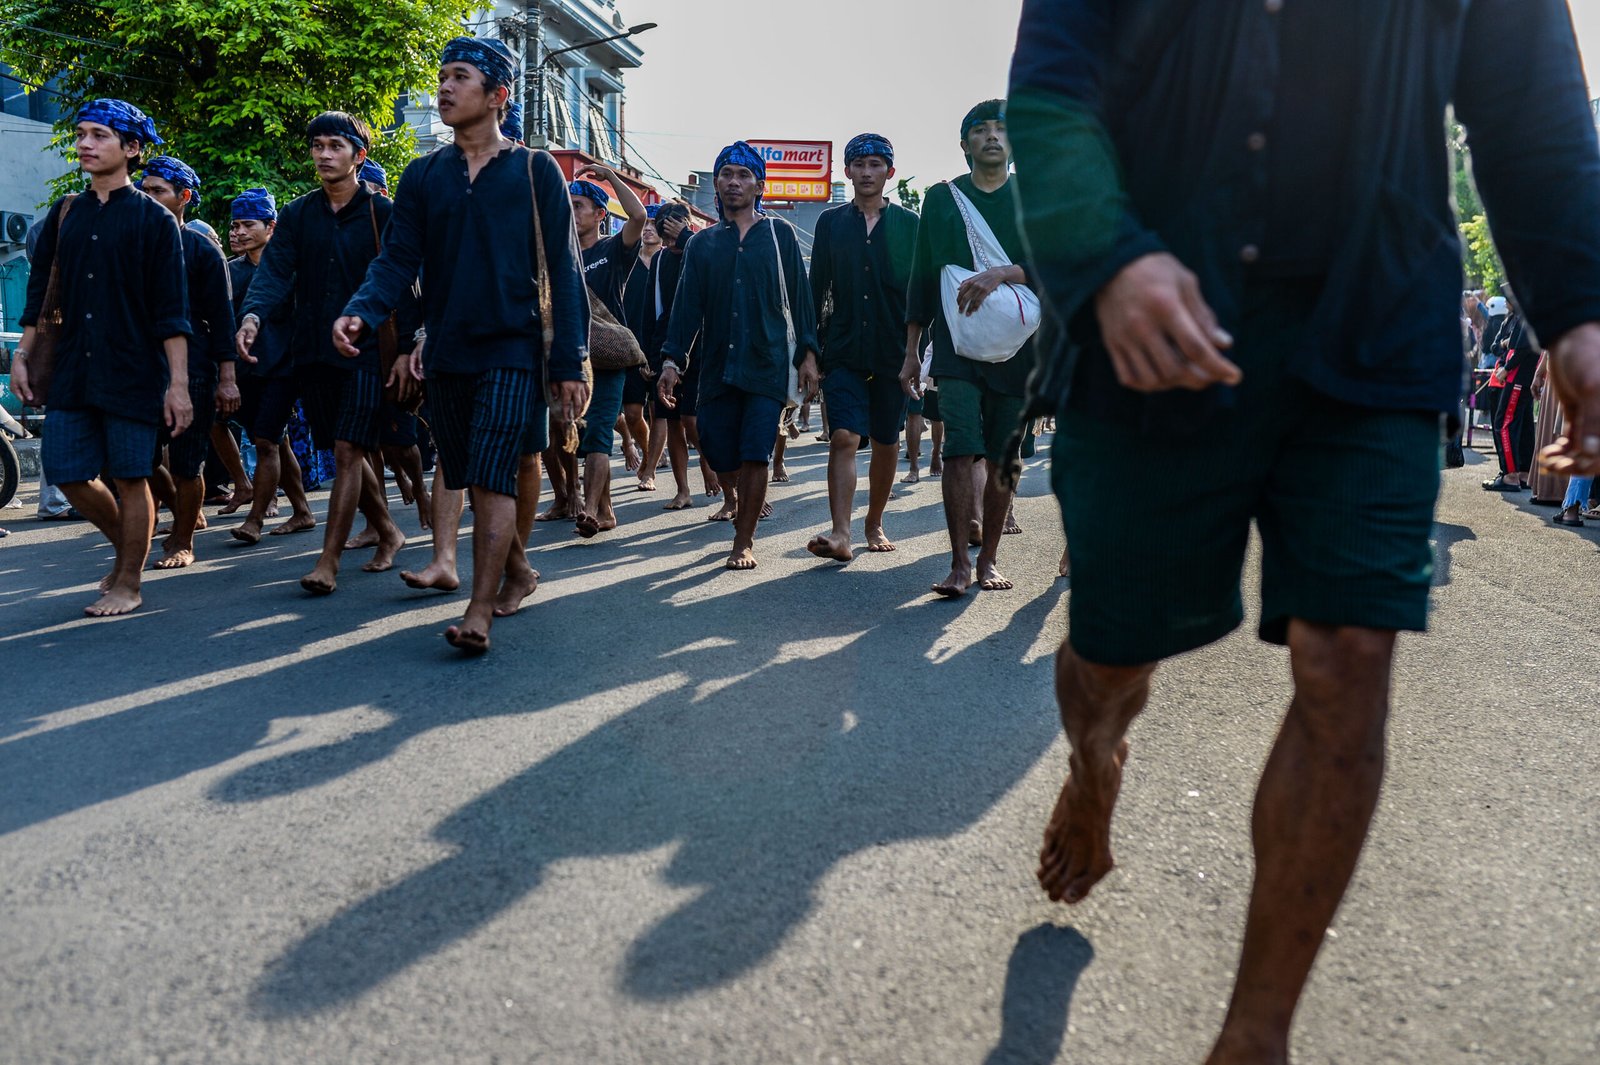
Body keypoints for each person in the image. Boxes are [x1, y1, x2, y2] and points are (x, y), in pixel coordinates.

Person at [1007, 2, 1600, 1062]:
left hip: (1371, 324)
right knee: (1109, 652)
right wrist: (1107, 257)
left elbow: (1532, 112)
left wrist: (1580, 314)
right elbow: (1055, 85)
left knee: (1348, 654)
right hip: (1155, 317)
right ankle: (1095, 766)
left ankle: (1255, 1035)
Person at [338, 36, 589, 654]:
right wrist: (362, 312)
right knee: (473, 472)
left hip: (514, 348)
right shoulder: (423, 176)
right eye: (442, 76)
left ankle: (479, 609)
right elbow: (398, 259)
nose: (444, 87)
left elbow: (564, 269)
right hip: (447, 352)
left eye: (460, 77)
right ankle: (521, 570)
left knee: (497, 471)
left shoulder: (535, 172)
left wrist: (568, 361)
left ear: (498, 95)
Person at [11, 99, 192, 617]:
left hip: (134, 368)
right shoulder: (65, 213)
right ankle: (127, 547)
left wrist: (177, 385)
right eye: (82, 134)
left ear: (131, 149)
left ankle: (129, 582)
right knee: (65, 469)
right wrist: (23, 355)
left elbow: (171, 311)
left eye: (100, 135)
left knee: (131, 474)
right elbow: (40, 292)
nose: (86, 144)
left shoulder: (155, 221)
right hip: (73, 366)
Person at [238, 110, 412, 594]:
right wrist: (252, 316)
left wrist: (410, 346)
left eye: (335, 146)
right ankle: (391, 530)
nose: (323, 155)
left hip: (367, 352)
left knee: (347, 448)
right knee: (344, 447)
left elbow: (404, 282)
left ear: (359, 155)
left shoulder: (384, 213)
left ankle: (328, 562)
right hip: (311, 351)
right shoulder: (296, 215)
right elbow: (274, 272)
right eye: (317, 146)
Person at [657, 141, 820, 570]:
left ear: (759, 185)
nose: (734, 182)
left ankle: (743, 540)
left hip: (767, 363)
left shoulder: (779, 234)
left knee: (754, 452)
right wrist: (672, 362)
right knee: (715, 445)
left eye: (743, 175)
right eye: (726, 174)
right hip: (716, 367)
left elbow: (801, 300)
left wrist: (808, 355)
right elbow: (686, 307)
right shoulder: (703, 244)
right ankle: (732, 494)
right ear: (716, 183)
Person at [900, 99, 1038, 596]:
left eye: (1002, 129)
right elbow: (922, 274)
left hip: (1018, 347)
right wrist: (913, 350)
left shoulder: (1033, 197)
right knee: (960, 448)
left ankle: (990, 562)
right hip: (955, 346)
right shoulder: (941, 199)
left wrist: (1003, 273)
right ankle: (960, 564)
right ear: (965, 146)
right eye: (981, 130)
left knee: (1004, 457)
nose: (992, 137)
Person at [802, 133, 918, 562]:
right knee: (844, 436)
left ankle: (874, 522)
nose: (866, 172)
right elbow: (816, 290)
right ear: (846, 171)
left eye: (875, 164)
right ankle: (841, 533)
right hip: (844, 347)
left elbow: (916, 295)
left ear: (889, 171)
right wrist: (810, 353)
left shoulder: (909, 224)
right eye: (858, 164)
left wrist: (913, 354)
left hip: (893, 352)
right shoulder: (831, 223)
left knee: (887, 441)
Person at [137, 155, 240, 569]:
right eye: (143, 191)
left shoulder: (201, 250)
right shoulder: (129, 243)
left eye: (158, 192)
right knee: (136, 460)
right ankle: (180, 509)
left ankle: (183, 540)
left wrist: (227, 378)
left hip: (195, 370)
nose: (148, 199)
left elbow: (222, 319)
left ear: (184, 197)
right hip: (140, 368)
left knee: (187, 461)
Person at [553, 167, 647, 538]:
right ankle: (601, 508)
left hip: (607, 357)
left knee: (599, 432)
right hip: (567, 357)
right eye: (568, 205)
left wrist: (610, 175)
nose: (571, 212)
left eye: (579, 206)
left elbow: (638, 216)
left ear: (599, 214)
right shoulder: (559, 254)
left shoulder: (613, 250)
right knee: (561, 432)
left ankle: (589, 510)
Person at [225, 187, 316, 543]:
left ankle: (256, 520)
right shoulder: (230, 272)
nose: (239, 232)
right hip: (246, 371)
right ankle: (303, 511)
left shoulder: (293, 270)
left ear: (271, 227)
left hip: (285, 368)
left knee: (265, 441)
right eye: (235, 226)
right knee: (275, 442)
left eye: (248, 224)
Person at [639, 202, 712, 510]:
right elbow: (650, 307)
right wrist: (644, 353)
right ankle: (683, 490)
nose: (667, 237)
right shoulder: (659, 261)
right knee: (671, 422)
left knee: (692, 420)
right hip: (663, 347)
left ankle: (711, 466)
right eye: (663, 229)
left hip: (699, 348)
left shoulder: (701, 250)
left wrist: (685, 236)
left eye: (673, 229)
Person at [622, 204, 663, 491]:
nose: (647, 228)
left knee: (662, 412)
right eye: (644, 223)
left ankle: (649, 468)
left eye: (653, 223)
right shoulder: (625, 260)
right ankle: (639, 448)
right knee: (633, 414)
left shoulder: (671, 261)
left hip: (661, 346)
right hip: (628, 346)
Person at [1484, 296, 1540, 492]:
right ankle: (1523, 473)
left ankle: (1510, 475)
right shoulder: (1526, 314)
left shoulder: (1526, 314)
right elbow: (1497, 345)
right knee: (1523, 425)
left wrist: (1507, 368)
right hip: (1523, 376)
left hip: (1518, 376)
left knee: (1504, 424)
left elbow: (1523, 347)